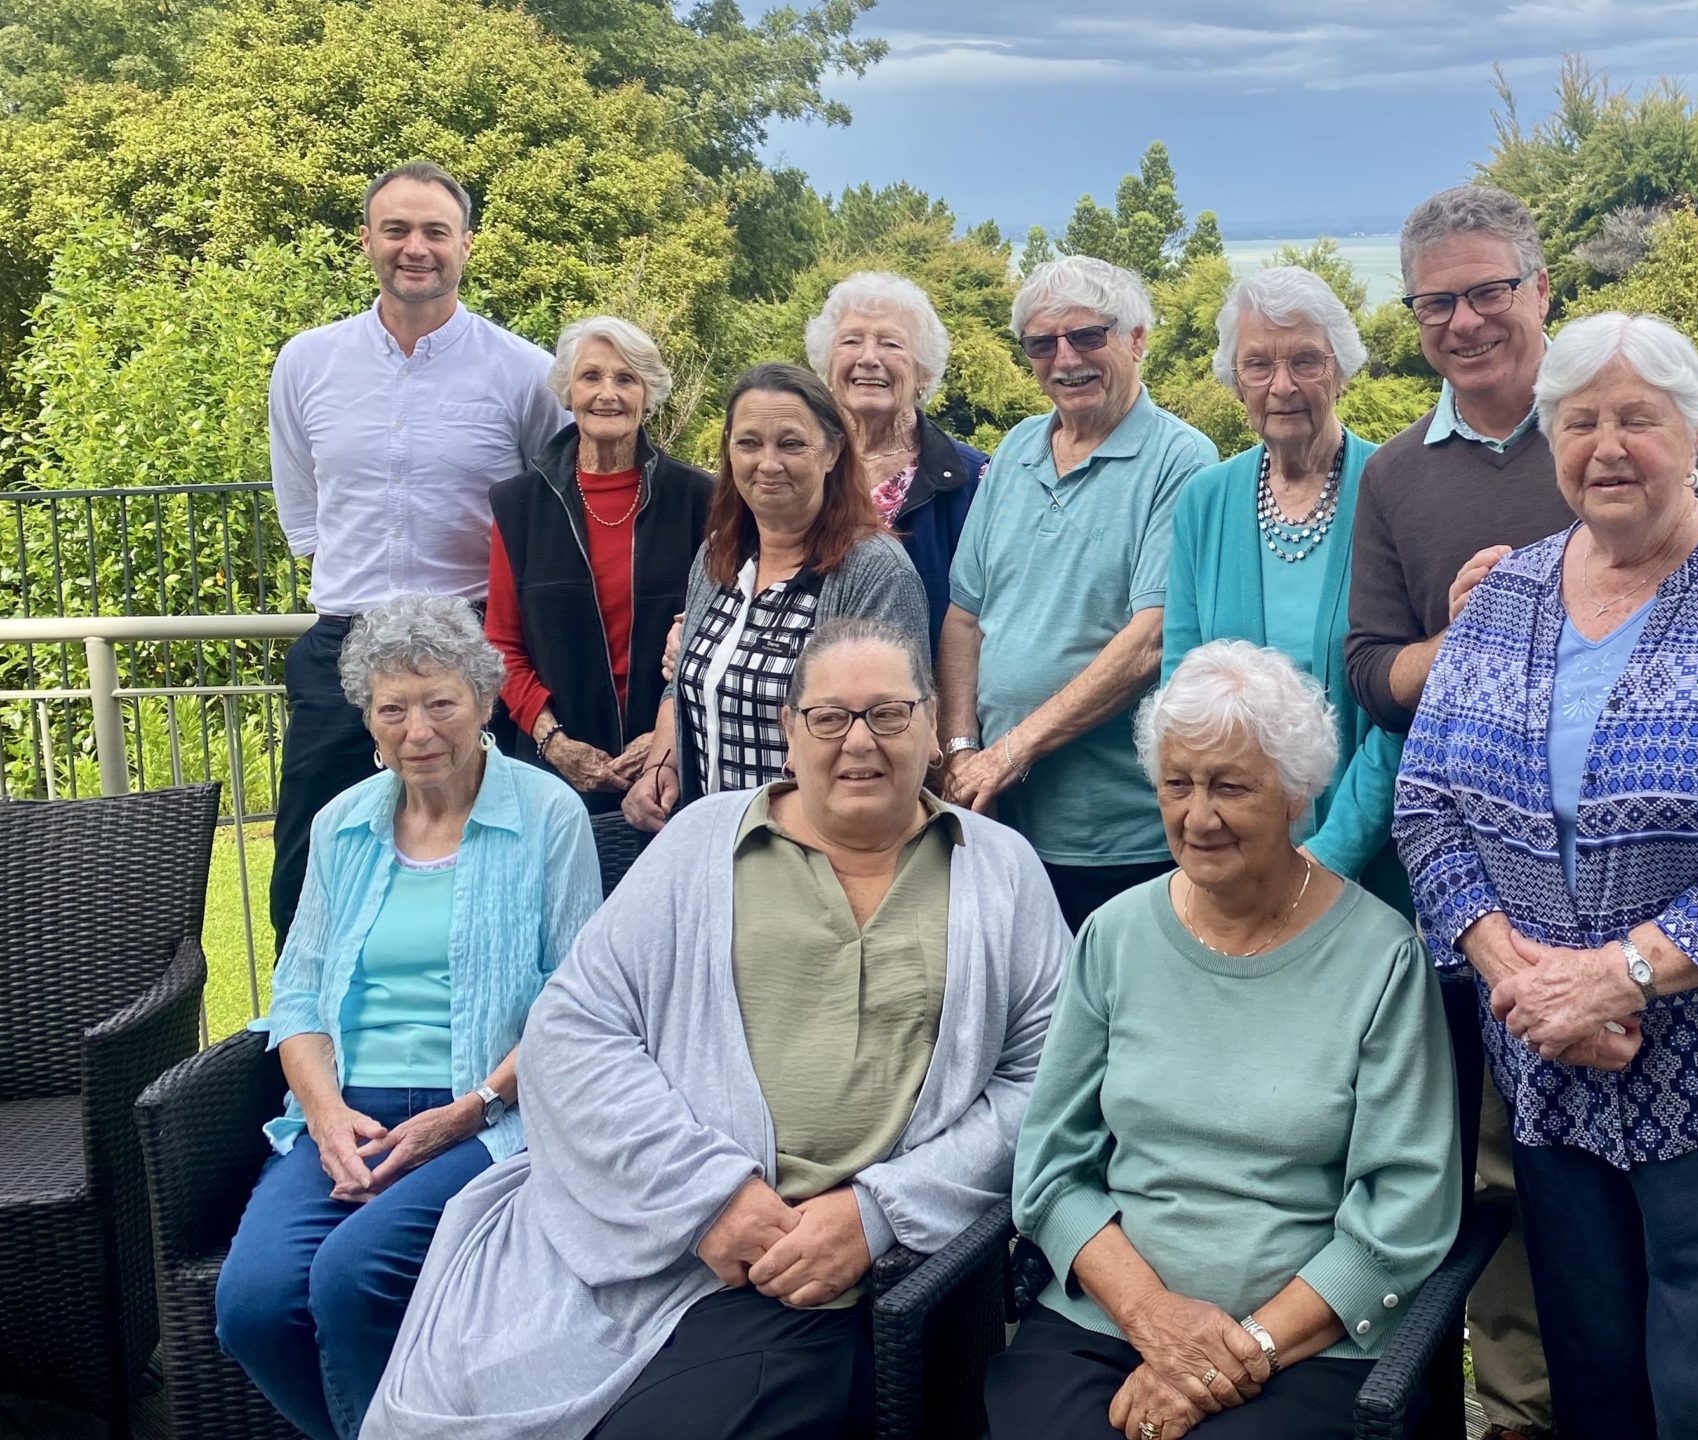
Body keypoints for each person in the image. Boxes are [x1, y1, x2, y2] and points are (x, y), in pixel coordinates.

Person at [1342, 184, 1698, 1440]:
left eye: (1636, 423)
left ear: (1694, 433)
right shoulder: (1482, 576)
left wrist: (1611, 979)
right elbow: (1429, 796)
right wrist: (1515, 972)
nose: (1609, 446)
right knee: (1587, 1378)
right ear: (1554, 441)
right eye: (1584, 425)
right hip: (1545, 1056)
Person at [366, 618, 1066, 1440]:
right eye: (830, 718)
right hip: (640, 1232)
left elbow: (1044, 1085)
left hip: (818, 1279)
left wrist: (880, 1212)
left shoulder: (1000, 869)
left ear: (928, 721)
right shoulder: (702, 842)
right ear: (788, 732)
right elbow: (572, 1028)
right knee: (465, 1390)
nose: (859, 743)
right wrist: (706, 1198)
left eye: (889, 714)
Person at [989, 641, 1461, 1440]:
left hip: (1301, 1346)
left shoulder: (1382, 960)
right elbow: (1051, 1171)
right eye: (1178, 784)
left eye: (1231, 787)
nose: (1197, 815)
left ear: (1294, 795)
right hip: (1107, 1323)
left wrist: (1239, 1353)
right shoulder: (1112, 937)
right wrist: (1153, 1322)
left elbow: (1403, 1211)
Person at [214, 594, 601, 1440]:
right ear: (368, 719)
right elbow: (300, 995)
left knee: (352, 1278)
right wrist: (322, 1119)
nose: (418, 729)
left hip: (487, 1117)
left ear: (484, 702)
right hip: (348, 1113)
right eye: (393, 709)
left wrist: (474, 1108)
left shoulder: (546, 817)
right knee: (253, 1306)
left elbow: (576, 1002)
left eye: (440, 703)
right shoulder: (342, 824)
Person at [267, 160, 565, 941]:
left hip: (472, 644)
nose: (416, 247)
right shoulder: (306, 363)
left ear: (467, 244)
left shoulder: (527, 373)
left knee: (483, 852)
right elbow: (305, 509)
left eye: (436, 231)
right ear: (366, 240)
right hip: (345, 646)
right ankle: (295, 1044)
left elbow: (551, 515)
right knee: (308, 856)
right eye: (396, 229)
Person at [938, 255, 1217, 930]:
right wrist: (961, 750)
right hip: (999, 823)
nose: (1066, 359)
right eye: (1043, 343)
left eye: (1089, 336)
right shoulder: (1015, 450)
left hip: (1116, 837)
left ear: (1137, 340)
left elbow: (1151, 639)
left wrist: (1011, 752)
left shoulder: (1181, 460)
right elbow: (963, 617)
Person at [1161, 266, 1405, 908]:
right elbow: (1180, 694)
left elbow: (1404, 704)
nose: (1283, 386)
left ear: (1341, 370)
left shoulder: (1395, 488)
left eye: (1305, 361)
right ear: (1235, 380)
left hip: (1371, 865)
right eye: (1258, 365)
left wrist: (1330, 854)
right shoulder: (1204, 501)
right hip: (1228, 855)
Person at [622, 363, 929, 831]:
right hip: (715, 846)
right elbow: (685, 677)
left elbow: (896, 728)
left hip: (817, 853)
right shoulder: (717, 555)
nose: (768, 463)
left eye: (791, 443)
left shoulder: (874, 571)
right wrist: (661, 765)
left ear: (832, 453)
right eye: (749, 443)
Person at [486, 316, 714, 813]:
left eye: (626, 378)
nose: (607, 392)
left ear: (648, 395)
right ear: (567, 393)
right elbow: (502, 645)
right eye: (591, 377)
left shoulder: (700, 500)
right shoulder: (518, 505)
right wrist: (555, 744)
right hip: (550, 774)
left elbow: (716, 632)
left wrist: (662, 740)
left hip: (674, 770)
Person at [807, 270, 987, 651]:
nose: (868, 358)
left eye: (891, 344)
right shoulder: (791, 464)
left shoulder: (975, 481)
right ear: (826, 367)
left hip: (918, 697)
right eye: (851, 341)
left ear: (924, 372)